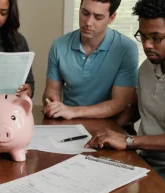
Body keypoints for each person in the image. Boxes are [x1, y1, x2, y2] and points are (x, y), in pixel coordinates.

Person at [86, 0, 165, 179]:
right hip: (144, 159)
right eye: (143, 36)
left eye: (156, 38)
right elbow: (135, 110)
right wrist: (105, 130)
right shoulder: (146, 67)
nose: (147, 45)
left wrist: (128, 140)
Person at [42, 0, 139, 120]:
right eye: (85, 13)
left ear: (111, 18)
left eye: (98, 17)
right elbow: (52, 90)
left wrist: (73, 111)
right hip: (68, 122)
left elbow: (120, 102)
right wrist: (53, 104)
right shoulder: (59, 45)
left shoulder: (126, 49)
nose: (88, 22)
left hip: (109, 125)